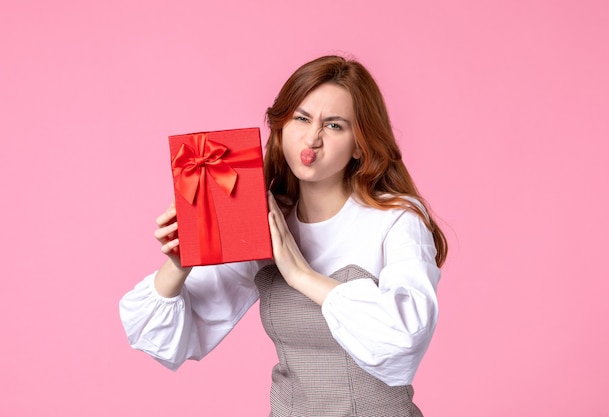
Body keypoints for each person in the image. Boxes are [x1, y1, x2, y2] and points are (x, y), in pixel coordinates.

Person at [119, 55, 447, 416]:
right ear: (281, 126)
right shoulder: (267, 217)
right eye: (301, 118)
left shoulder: (396, 219)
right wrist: (181, 263)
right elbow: (167, 342)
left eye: (334, 126)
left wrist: (300, 274)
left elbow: (405, 338)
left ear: (360, 144)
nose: (312, 138)